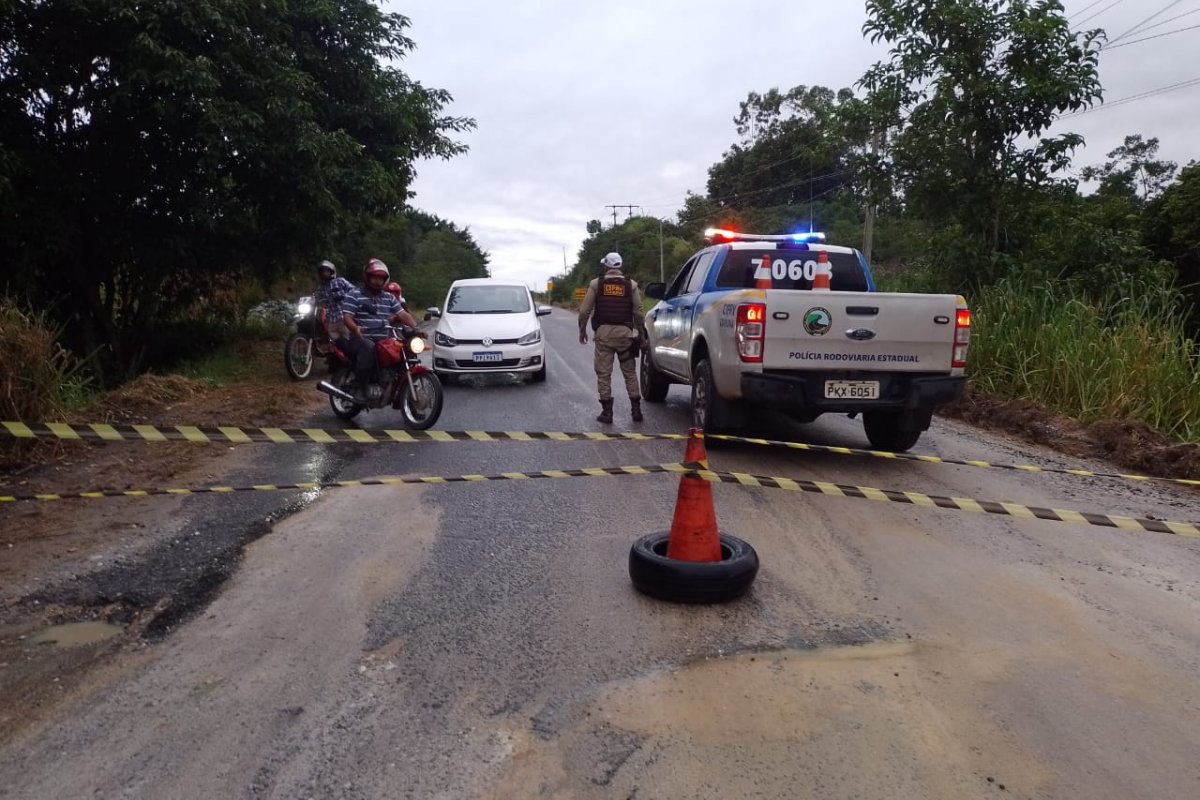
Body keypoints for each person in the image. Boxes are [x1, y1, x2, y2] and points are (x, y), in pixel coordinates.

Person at [578, 251, 645, 423]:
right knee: (630, 373)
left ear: (606, 266)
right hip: (625, 336)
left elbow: (584, 311)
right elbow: (638, 312)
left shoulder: (596, 284)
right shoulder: (631, 285)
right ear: (620, 266)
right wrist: (641, 335)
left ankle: (607, 413)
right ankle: (636, 411)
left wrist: (582, 330)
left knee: (604, 374)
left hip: (604, 336)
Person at [341, 259, 418, 400]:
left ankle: (395, 384)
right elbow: (347, 317)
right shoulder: (354, 294)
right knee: (369, 348)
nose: (377, 281)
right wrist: (355, 327)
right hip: (361, 339)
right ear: (367, 277)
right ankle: (359, 387)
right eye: (375, 277)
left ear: (385, 280)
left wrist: (416, 328)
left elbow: (403, 314)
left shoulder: (389, 297)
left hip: (384, 339)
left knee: (403, 348)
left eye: (380, 278)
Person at [312, 260, 354, 342]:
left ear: (332, 272)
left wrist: (343, 295)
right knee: (335, 343)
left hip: (344, 316)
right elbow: (315, 297)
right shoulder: (321, 287)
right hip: (331, 319)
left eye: (327, 271)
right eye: (322, 271)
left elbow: (354, 290)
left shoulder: (340, 281)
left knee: (348, 341)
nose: (324, 273)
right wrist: (309, 300)